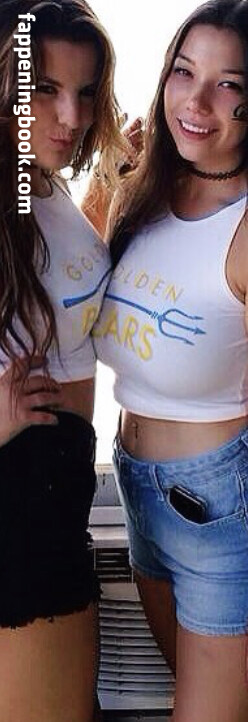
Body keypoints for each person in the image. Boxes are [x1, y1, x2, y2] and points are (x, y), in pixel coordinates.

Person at [94, 1, 248, 720]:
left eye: (228, 85)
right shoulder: (143, 193)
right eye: (185, 73)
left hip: (222, 515)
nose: (196, 101)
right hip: (140, 491)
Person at [0, 1, 125, 720]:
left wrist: (109, 195)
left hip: (55, 506)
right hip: (17, 510)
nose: (70, 116)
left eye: (84, 92)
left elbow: (58, 289)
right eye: (44, 89)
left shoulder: (38, 187)